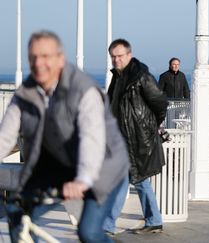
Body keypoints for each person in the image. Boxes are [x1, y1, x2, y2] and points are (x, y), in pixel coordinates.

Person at [0, 30, 130, 242]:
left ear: (61, 59)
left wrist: (82, 180)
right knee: (17, 212)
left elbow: (92, 140)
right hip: (57, 165)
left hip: (102, 167)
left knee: (89, 232)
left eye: (45, 57)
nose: (38, 63)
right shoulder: (25, 94)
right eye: (33, 57)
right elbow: (5, 137)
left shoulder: (83, 90)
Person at [103, 39, 168, 235]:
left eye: (119, 56)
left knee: (130, 180)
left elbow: (160, 102)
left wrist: (151, 125)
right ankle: (153, 220)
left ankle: (107, 225)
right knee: (136, 180)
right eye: (113, 57)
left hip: (138, 139)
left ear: (129, 55)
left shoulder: (141, 76)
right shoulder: (118, 76)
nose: (116, 60)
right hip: (123, 139)